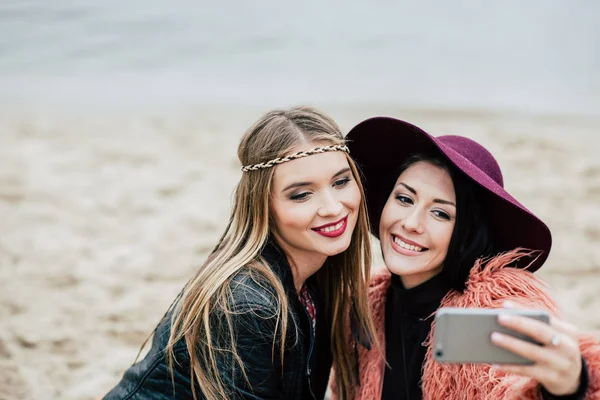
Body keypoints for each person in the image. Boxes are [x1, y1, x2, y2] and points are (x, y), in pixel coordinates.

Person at [102, 106, 378, 400]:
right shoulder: (248, 305)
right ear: (263, 206)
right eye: (301, 194)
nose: (333, 207)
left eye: (341, 182)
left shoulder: (317, 274)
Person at [331, 117, 600, 399]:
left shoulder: (493, 306)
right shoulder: (363, 303)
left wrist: (568, 386)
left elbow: (512, 388)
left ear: (467, 232)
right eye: (404, 199)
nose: (411, 223)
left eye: (441, 213)